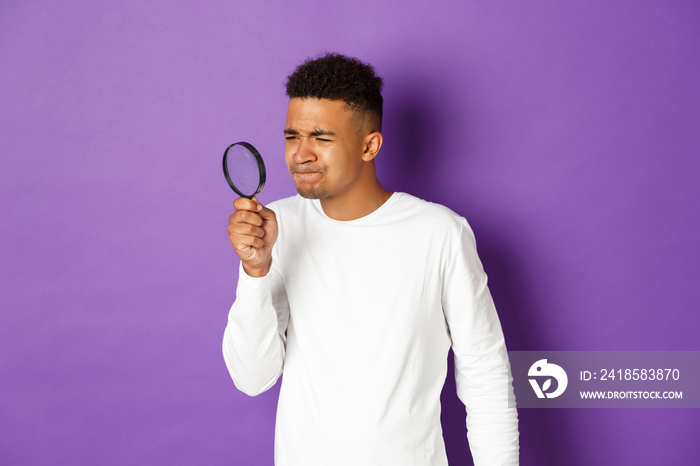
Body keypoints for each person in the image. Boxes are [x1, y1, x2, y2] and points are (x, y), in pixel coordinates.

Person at [223, 53, 519, 466]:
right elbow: (252, 378)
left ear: (370, 145)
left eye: (321, 138)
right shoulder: (278, 226)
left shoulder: (439, 233)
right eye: (293, 136)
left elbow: (486, 376)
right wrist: (255, 271)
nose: (300, 154)